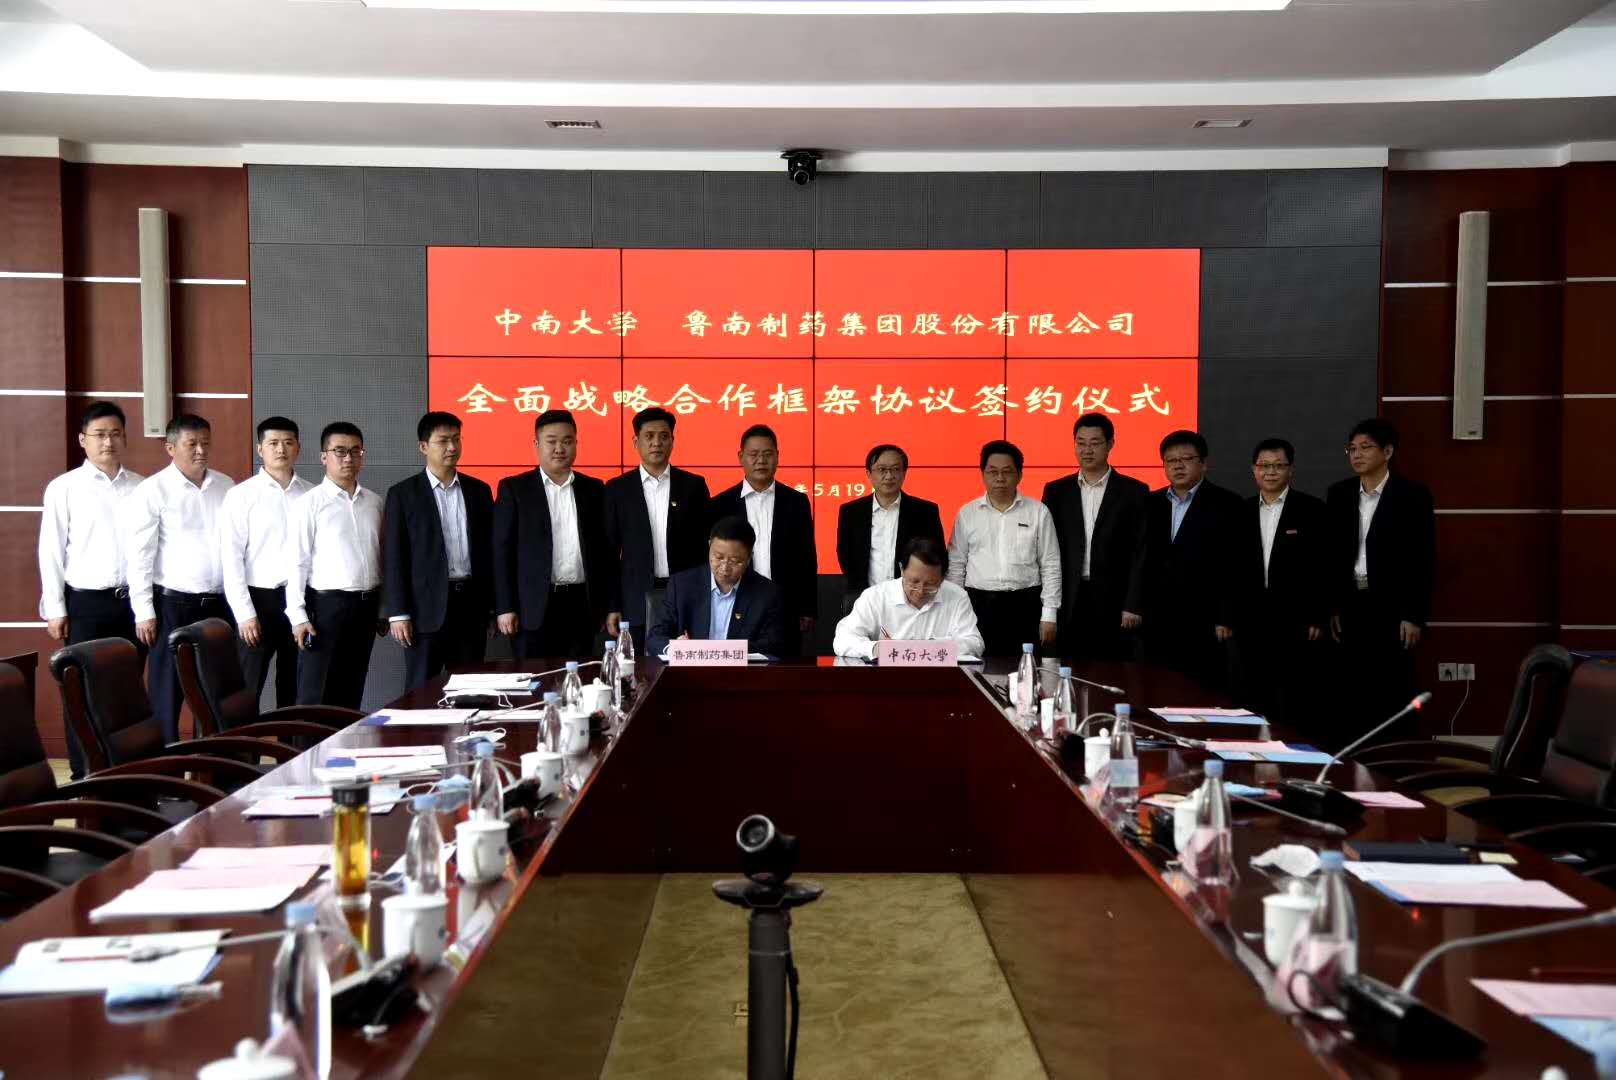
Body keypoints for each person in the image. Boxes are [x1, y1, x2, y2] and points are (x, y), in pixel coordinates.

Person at [38, 401, 143, 777]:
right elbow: (50, 549)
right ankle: (85, 774)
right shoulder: (64, 488)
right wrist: (55, 608)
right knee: (80, 689)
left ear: (125, 438)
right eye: (99, 435)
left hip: (132, 603)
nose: (108, 442)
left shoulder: (142, 487)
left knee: (125, 690)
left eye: (115, 434)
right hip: (85, 603)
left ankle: (125, 771)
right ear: (82, 439)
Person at [123, 414, 235, 743]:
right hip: (172, 604)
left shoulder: (226, 486)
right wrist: (144, 611)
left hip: (218, 604)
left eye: (205, 443)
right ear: (171, 448)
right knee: (167, 692)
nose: (201, 450)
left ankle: (214, 761)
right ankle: (165, 766)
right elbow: (140, 555)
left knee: (216, 690)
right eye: (192, 444)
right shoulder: (152, 490)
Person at [1327, 418, 1436, 739]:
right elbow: (1330, 555)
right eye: (1352, 449)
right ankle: (1350, 755)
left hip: (1392, 607)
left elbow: (1422, 559)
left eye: (1365, 447)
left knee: (1391, 687)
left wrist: (1413, 615)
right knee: (1350, 688)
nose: (1357, 455)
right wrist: (1333, 606)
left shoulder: (1412, 495)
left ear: (1387, 452)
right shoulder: (1339, 493)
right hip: (1351, 604)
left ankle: (1392, 755)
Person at [384, 411, 495, 691]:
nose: (452, 447)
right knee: (421, 690)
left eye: (457, 439)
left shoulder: (479, 491)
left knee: (470, 688)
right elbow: (395, 557)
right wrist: (398, 613)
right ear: (423, 446)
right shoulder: (403, 494)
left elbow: (490, 554)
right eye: (443, 441)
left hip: (471, 606)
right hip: (425, 610)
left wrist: (493, 607)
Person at [492, 409, 613, 660]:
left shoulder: (594, 489)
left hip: (582, 605)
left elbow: (605, 552)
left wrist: (609, 605)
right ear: (536, 444)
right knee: (534, 676)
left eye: (567, 441)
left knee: (580, 675)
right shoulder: (514, 488)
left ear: (576, 444)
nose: (559, 448)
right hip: (532, 607)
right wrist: (505, 607)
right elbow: (501, 551)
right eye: (551, 441)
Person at [1228, 438, 1328, 732]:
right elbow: (1229, 568)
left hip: (1295, 619)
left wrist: (1317, 615)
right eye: (1264, 466)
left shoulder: (1312, 509)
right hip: (1250, 618)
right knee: (1251, 693)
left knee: (1292, 696)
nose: (1270, 472)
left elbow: (1323, 567)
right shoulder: (1240, 510)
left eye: (1278, 466)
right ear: (1254, 469)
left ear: (1290, 469)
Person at [286, 422, 384, 710]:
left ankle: (343, 742)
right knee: (316, 693)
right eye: (339, 451)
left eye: (355, 451)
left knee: (351, 689)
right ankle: (307, 742)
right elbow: (296, 562)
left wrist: (383, 607)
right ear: (323, 456)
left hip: (366, 607)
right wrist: (297, 616)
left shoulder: (374, 502)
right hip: (326, 608)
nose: (348, 458)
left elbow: (381, 558)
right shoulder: (308, 503)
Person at [1040, 413, 1149, 664]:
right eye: (1081, 443)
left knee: (1112, 671)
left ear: (1110, 444)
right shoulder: (1056, 491)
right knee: (1066, 669)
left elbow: (1141, 552)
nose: (1087, 450)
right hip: (1069, 598)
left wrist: (1133, 604)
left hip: (1114, 600)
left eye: (1095, 443)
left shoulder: (1134, 492)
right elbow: (1046, 550)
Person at [220, 416, 312, 709]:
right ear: (260, 449)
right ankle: (244, 743)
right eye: (273, 443)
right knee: (248, 687)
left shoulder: (312, 494)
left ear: (298, 447)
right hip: (258, 600)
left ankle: (291, 740)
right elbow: (231, 558)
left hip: (301, 600)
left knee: (295, 687)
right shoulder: (241, 495)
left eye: (288, 443)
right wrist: (244, 614)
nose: (281, 449)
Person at [1142, 430, 1242, 691]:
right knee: (1157, 690)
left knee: (1201, 692)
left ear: (1203, 463)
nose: (1178, 466)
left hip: (1204, 618)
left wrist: (1225, 616)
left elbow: (1233, 566)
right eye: (1171, 460)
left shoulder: (1228, 504)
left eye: (1186, 459)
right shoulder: (1150, 503)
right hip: (1157, 618)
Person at [604, 406, 711, 651]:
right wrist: (613, 605)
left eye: (663, 436)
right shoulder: (617, 489)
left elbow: (706, 547)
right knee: (638, 665)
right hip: (635, 598)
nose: (656, 443)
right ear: (636, 442)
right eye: (649, 436)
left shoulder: (693, 486)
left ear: (673, 441)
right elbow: (609, 553)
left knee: (686, 664)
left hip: (686, 595)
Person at [946, 440, 1061, 657]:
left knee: (1026, 670)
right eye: (993, 471)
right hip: (978, 605)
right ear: (983, 474)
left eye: (1007, 471)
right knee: (978, 667)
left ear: (1019, 475)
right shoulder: (967, 513)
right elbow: (956, 565)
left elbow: (1050, 564)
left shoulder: (1038, 512)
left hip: (1026, 605)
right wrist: (954, 611)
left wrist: (1049, 614)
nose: (1000, 478)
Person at [709, 424, 817, 654]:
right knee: (739, 665)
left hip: (784, 602)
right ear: (741, 457)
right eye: (754, 454)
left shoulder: (796, 502)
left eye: (767, 454)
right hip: (736, 601)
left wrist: (807, 607)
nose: (761, 461)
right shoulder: (720, 505)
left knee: (785, 667)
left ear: (777, 456)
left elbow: (806, 557)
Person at [647, 515, 788, 658]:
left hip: (741, 670)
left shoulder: (767, 593)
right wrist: (675, 648)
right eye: (718, 557)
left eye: (735, 561)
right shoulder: (681, 585)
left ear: (749, 557)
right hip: (690, 669)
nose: (725, 568)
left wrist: (723, 650)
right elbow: (655, 637)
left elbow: (773, 645)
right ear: (709, 545)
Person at [834, 443, 945, 612]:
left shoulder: (925, 511)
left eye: (895, 469)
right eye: (882, 470)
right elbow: (845, 553)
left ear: (904, 473)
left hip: (913, 599)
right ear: (869, 474)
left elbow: (937, 554)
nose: (889, 476)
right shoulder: (851, 511)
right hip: (865, 598)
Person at [833, 537, 983, 660]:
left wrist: (930, 647)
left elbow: (974, 643)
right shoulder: (875, 597)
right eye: (914, 582)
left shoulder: (957, 597)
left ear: (943, 578)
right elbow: (842, 639)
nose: (920, 591)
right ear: (902, 570)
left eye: (930, 584)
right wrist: (875, 648)